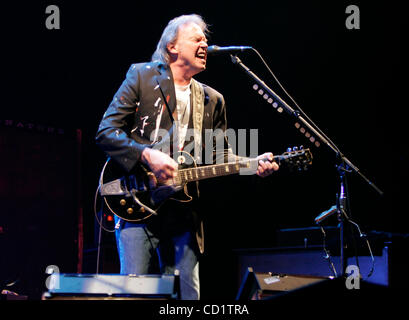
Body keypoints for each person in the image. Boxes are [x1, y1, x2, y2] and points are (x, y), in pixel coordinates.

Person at [95, 14, 279, 300]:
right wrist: (146, 155)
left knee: (187, 296)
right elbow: (106, 131)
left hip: (184, 214)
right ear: (172, 46)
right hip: (137, 204)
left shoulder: (212, 99)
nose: (205, 43)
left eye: (206, 39)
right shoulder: (142, 76)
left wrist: (252, 165)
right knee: (134, 294)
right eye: (197, 38)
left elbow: (219, 155)